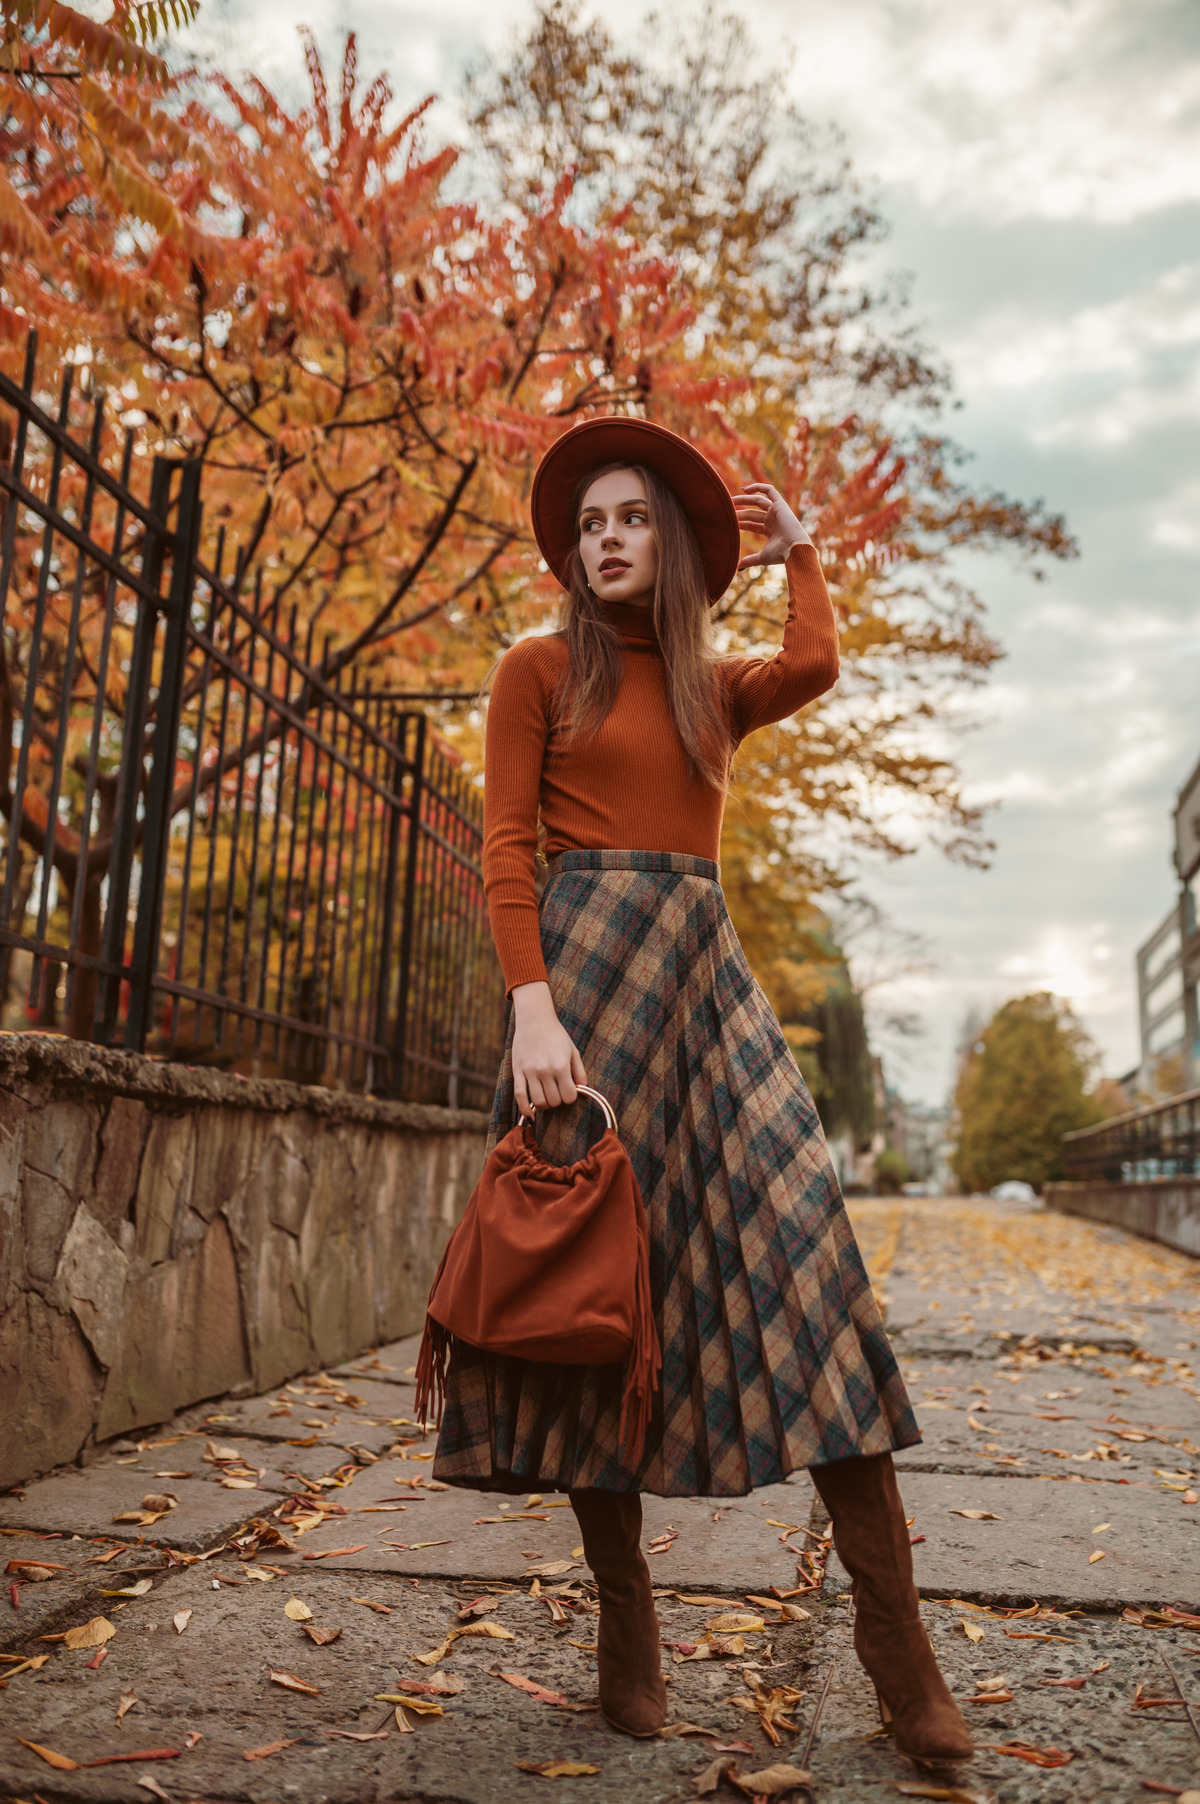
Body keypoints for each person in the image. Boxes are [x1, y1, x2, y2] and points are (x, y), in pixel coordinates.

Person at [431, 417, 972, 1768]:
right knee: (589, 1304)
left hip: (708, 996)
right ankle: (628, 1615)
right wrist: (531, 1013)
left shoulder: (707, 688)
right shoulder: (534, 670)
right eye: (590, 522)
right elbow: (507, 845)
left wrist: (803, 552)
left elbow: (817, 661)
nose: (607, 536)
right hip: (584, 1005)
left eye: (632, 519)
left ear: (668, 545)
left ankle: (899, 1658)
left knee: (813, 1277)